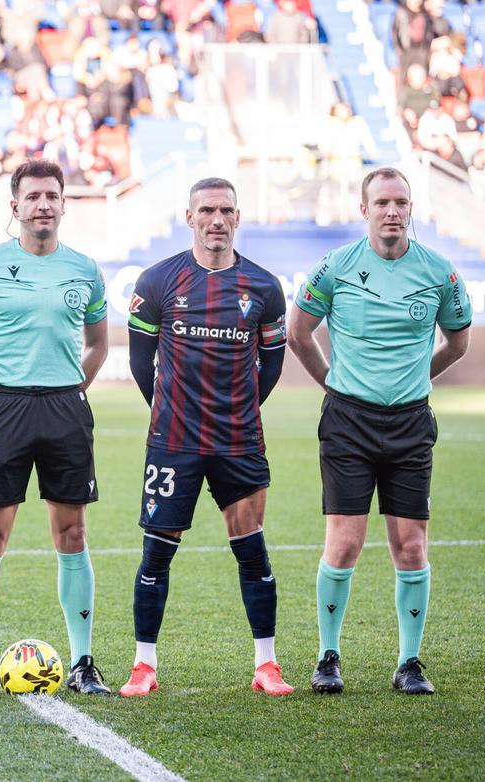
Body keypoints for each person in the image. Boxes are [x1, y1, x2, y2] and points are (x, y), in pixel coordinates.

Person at [287, 167, 472, 696]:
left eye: (401, 202)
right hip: (348, 422)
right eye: (382, 202)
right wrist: (332, 382)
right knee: (344, 541)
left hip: (411, 423)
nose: (392, 211)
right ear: (363, 208)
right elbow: (298, 333)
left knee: (410, 545)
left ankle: (409, 662)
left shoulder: (440, 272)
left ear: (411, 209)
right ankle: (328, 656)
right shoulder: (337, 266)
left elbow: (458, 343)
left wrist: (416, 379)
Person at [119, 177, 293, 698]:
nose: (217, 220)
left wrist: (236, 410)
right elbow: (137, 361)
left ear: (238, 218)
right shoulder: (156, 282)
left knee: (252, 551)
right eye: (207, 211)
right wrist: (172, 410)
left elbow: (273, 364)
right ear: (189, 217)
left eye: (226, 211)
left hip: (239, 441)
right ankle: (143, 664)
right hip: (173, 442)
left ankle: (267, 663)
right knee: (156, 554)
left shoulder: (263, 288)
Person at [0, 159, 110, 697]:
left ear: (64, 205)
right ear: (14, 206)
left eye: (51, 196)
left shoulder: (85, 269)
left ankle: (85, 661)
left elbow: (98, 343)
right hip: (5, 409)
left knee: (73, 534)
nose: (43, 204)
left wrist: (70, 388)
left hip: (64, 409)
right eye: (33, 196)